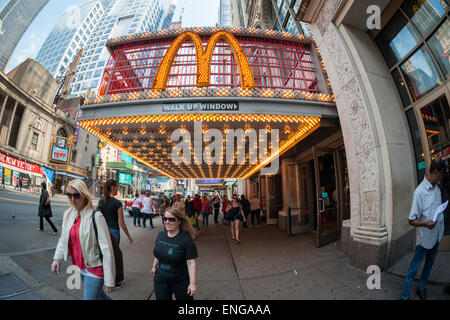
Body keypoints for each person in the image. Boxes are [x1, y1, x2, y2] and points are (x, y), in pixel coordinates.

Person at [51, 179, 115, 300]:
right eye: (69, 195)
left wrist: (110, 279)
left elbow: (107, 249)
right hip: (79, 267)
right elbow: (63, 238)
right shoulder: (68, 214)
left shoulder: (96, 217)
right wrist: (57, 259)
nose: (72, 199)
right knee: (99, 296)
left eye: (76, 195)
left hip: (95, 268)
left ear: (84, 196)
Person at [401, 159, 447, 300]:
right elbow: (411, 220)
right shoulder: (419, 192)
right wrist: (426, 224)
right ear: (435, 172)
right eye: (441, 174)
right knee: (414, 268)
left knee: (429, 264)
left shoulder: (438, 186)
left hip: (437, 234)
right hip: (425, 238)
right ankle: (404, 296)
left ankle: (421, 288)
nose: (442, 177)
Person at [151, 208, 198, 300]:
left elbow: (191, 263)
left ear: (179, 221)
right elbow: (159, 253)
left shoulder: (186, 240)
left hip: (180, 280)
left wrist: (192, 284)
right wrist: (154, 266)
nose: (167, 222)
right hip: (161, 278)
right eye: (165, 219)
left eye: (171, 219)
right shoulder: (161, 235)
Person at [97, 179, 133, 289]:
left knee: (104, 255)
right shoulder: (117, 203)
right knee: (114, 257)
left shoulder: (101, 201)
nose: (118, 189)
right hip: (113, 233)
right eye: (117, 187)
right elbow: (122, 223)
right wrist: (129, 236)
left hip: (102, 231)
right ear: (112, 188)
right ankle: (115, 282)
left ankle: (103, 277)